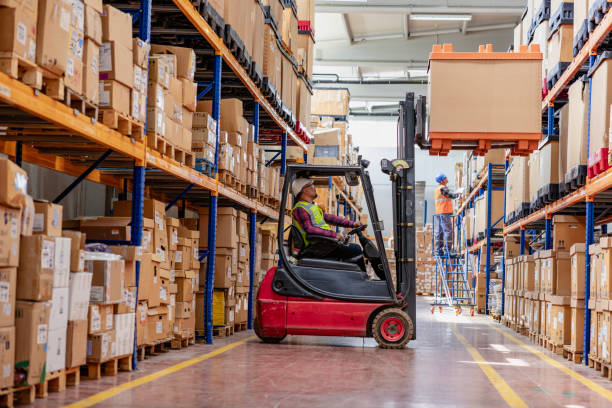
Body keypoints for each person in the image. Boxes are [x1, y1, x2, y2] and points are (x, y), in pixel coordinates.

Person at [291, 177, 367, 271]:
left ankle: (355, 276)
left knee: (352, 249)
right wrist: (334, 235)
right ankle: (361, 277)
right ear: (304, 190)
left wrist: (352, 224)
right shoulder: (300, 209)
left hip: (323, 244)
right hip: (316, 247)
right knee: (355, 249)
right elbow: (309, 229)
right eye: (311, 185)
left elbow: (331, 218)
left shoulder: (311, 207)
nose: (314, 188)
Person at [434, 173, 459, 255]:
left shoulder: (438, 189)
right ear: (442, 180)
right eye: (445, 178)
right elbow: (451, 195)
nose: (447, 178)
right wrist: (458, 194)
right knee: (448, 231)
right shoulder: (443, 188)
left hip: (439, 212)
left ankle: (439, 250)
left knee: (440, 231)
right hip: (444, 212)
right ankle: (448, 250)